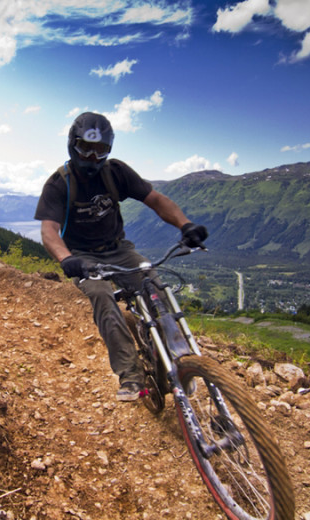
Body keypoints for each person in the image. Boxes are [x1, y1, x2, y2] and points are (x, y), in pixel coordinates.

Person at [34, 112, 208, 401]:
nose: (91, 156)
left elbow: (155, 200)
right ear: (72, 145)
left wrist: (185, 224)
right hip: (83, 258)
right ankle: (131, 375)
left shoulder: (116, 172)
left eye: (100, 149)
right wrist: (66, 259)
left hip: (120, 249)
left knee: (156, 288)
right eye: (84, 147)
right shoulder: (58, 183)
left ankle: (181, 360)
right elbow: (49, 230)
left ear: (109, 150)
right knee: (102, 297)